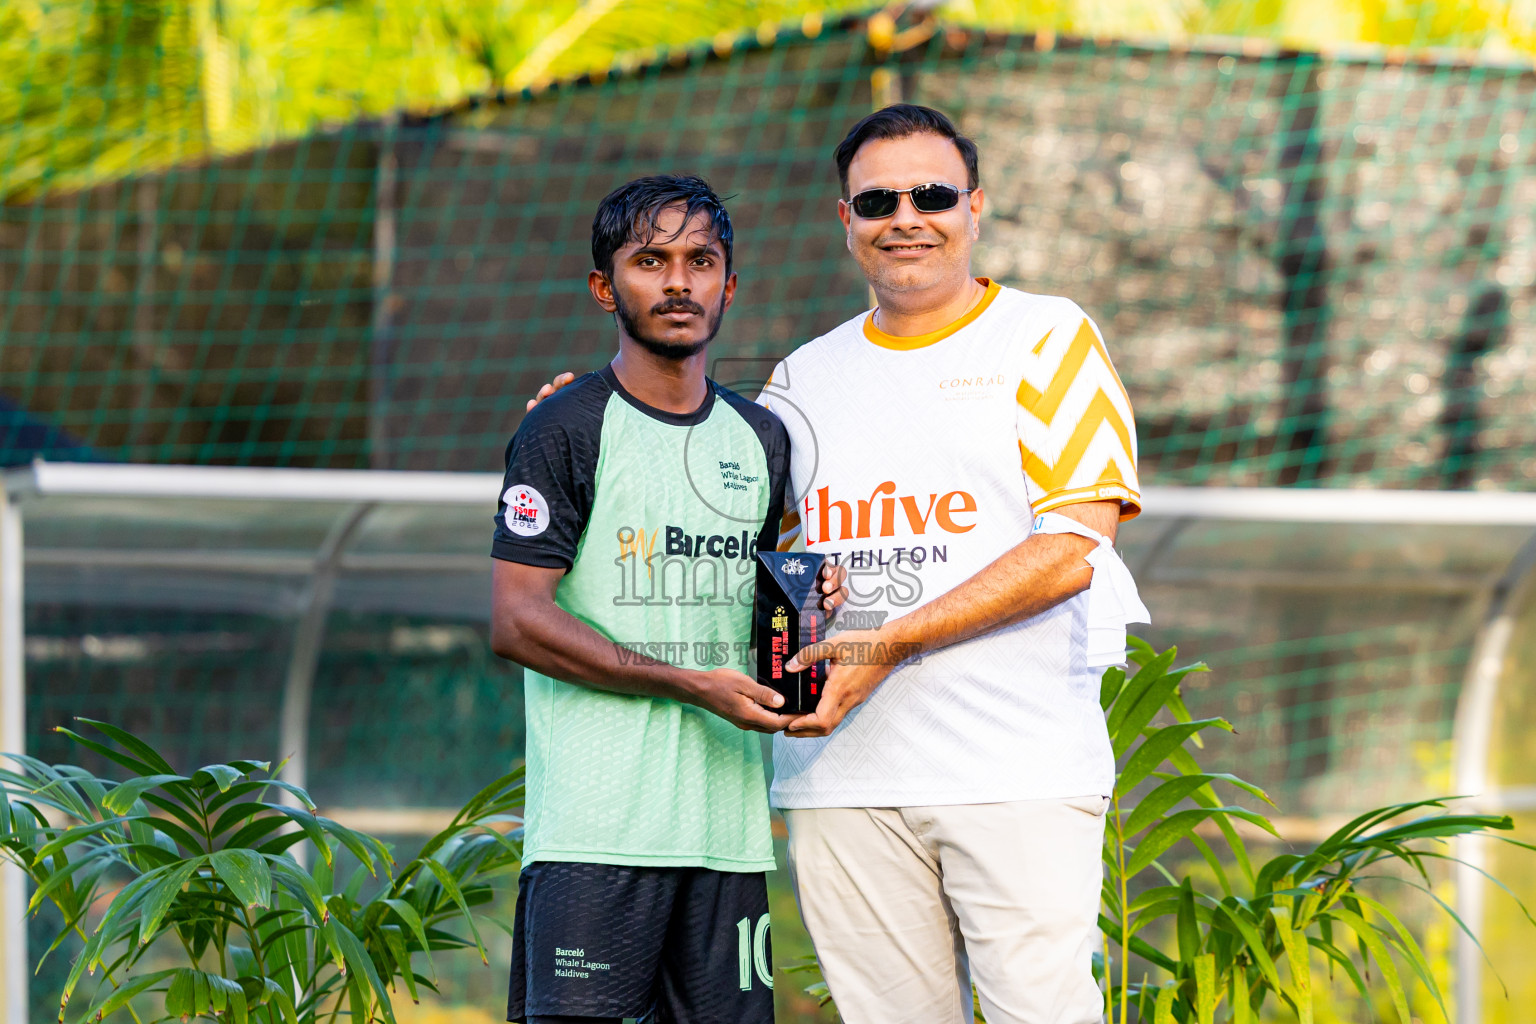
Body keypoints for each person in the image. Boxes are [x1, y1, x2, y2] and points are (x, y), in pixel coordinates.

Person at [525, 107, 1147, 1024]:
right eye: (877, 200)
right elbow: (748, 556)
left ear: (975, 208)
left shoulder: (1047, 338)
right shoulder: (799, 383)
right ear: (843, 221)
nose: (906, 217)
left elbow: (1073, 549)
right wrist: (577, 416)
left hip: (1015, 771)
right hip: (839, 779)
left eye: (931, 195)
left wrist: (886, 644)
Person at [489, 174, 846, 1024]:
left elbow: (747, 608)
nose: (678, 282)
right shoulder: (563, 427)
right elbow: (517, 619)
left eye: (701, 261)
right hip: (597, 838)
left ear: (731, 283)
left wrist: (810, 609)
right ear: (605, 288)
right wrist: (692, 684)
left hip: (727, 839)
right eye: (650, 261)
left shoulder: (762, 438)